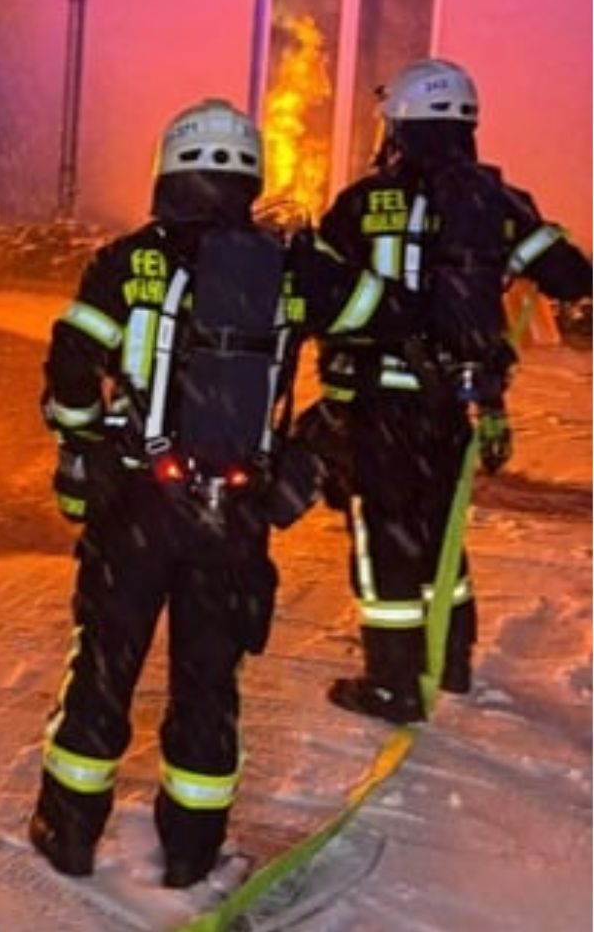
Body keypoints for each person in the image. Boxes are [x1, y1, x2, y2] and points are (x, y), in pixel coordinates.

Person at [26, 99, 414, 889]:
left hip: (137, 506)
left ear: (170, 168)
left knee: (103, 667)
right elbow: (389, 319)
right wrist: (319, 435)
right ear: (251, 176)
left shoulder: (129, 260)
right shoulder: (294, 267)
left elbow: (72, 361)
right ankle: (192, 851)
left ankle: (68, 832)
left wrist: (82, 446)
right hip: (235, 515)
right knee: (208, 686)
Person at [303, 58, 591, 724]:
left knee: (384, 538)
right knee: (440, 526)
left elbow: (318, 293)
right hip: (453, 402)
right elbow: (573, 277)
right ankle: (452, 656)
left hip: (377, 404)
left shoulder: (360, 204)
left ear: (401, 123)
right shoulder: (498, 201)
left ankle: (392, 682)